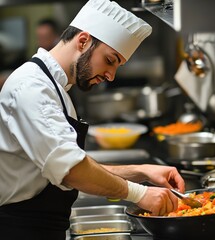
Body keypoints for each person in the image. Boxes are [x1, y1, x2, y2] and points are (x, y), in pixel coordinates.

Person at [0, 0, 185, 239]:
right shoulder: (32, 88)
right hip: (20, 229)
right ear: (83, 40)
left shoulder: (54, 87)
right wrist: (141, 194)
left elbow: (71, 164)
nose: (111, 75)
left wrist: (142, 171)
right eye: (110, 60)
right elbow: (72, 170)